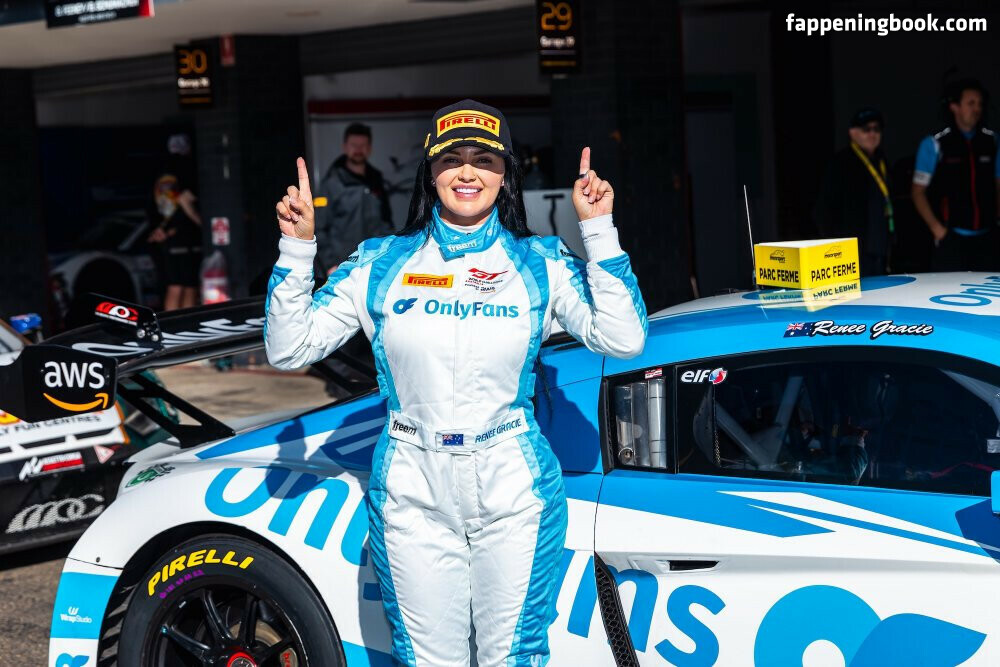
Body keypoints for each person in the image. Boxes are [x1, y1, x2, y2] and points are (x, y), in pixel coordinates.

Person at [266, 99, 647, 666]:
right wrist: (297, 248)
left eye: (484, 160)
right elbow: (289, 347)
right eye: (452, 159)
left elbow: (624, 338)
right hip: (412, 487)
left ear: (505, 174)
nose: (467, 172)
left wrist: (598, 230)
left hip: (513, 487)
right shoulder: (380, 262)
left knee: (512, 658)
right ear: (431, 172)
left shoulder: (540, 260)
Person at [911, 78, 1000, 271]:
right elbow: (917, 192)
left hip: (987, 238)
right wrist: (938, 229)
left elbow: (998, 183)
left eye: (980, 104)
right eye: (971, 103)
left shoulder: (992, 141)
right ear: (954, 107)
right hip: (950, 239)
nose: (977, 109)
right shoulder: (935, 143)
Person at [813, 108, 894, 275]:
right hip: (852, 253)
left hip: (880, 247)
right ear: (853, 133)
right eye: (866, 129)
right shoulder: (841, 163)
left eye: (876, 129)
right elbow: (823, 210)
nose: (872, 134)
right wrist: (835, 249)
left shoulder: (881, 160)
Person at [314, 122, 393, 274]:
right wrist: (330, 266)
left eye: (363, 145)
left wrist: (388, 256)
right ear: (345, 147)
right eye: (354, 145)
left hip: (374, 266)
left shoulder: (377, 180)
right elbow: (318, 229)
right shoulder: (330, 184)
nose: (358, 150)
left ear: (369, 148)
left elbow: (386, 223)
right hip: (341, 270)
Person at [148, 162, 202, 310]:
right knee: (184, 286)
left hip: (172, 241)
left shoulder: (161, 177)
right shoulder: (187, 177)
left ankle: (177, 322)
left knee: (180, 286)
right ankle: (180, 322)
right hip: (183, 241)